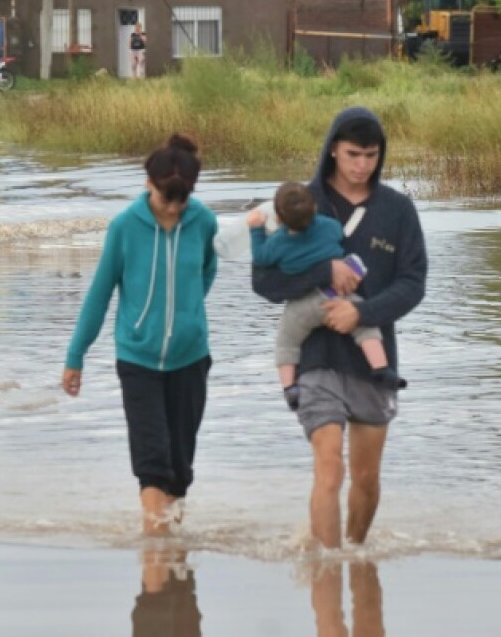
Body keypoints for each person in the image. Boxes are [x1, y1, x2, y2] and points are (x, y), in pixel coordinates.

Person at [252, 107, 426, 549]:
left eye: (370, 155)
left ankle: (355, 556)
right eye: (352, 154)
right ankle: (327, 574)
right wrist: (322, 271)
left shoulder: (398, 211)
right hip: (315, 359)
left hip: (372, 360)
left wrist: (362, 314)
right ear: (333, 149)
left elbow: (413, 284)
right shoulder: (296, 202)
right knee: (330, 467)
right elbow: (264, 282)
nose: (361, 165)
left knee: (366, 479)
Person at [63, 133, 218, 535]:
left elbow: (206, 273)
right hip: (138, 359)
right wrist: (75, 356)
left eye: (182, 199)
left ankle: (174, 567)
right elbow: (99, 294)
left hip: (191, 358)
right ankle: (156, 557)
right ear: (148, 183)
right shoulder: (124, 228)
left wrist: (188, 315)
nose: (173, 207)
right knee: (153, 463)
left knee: (180, 468)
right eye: (167, 197)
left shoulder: (203, 222)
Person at [247, 181, 404, 411]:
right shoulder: (329, 227)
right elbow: (340, 233)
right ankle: (381, 369)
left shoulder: (278, 243)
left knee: (286, 343)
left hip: (301, 305)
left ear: (279, 218)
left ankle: (289, 388)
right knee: (365, 326)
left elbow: (261, 258)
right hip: (338, 296)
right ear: (314, 208)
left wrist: (256, 230)